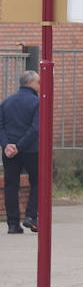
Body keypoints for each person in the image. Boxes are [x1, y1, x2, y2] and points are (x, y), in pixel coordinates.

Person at [1, 71, 40, 234]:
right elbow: (35, 128)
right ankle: (30, 216)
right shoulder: (37, 102)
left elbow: (0, 125)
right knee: (38, 182)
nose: (40, 85)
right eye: (38, 82)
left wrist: (7, 145)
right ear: (30, 82)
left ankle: (12, 224)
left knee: (11, 185)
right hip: (30, 149)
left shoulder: (7, 102)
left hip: (9, 152)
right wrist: (20, 146)